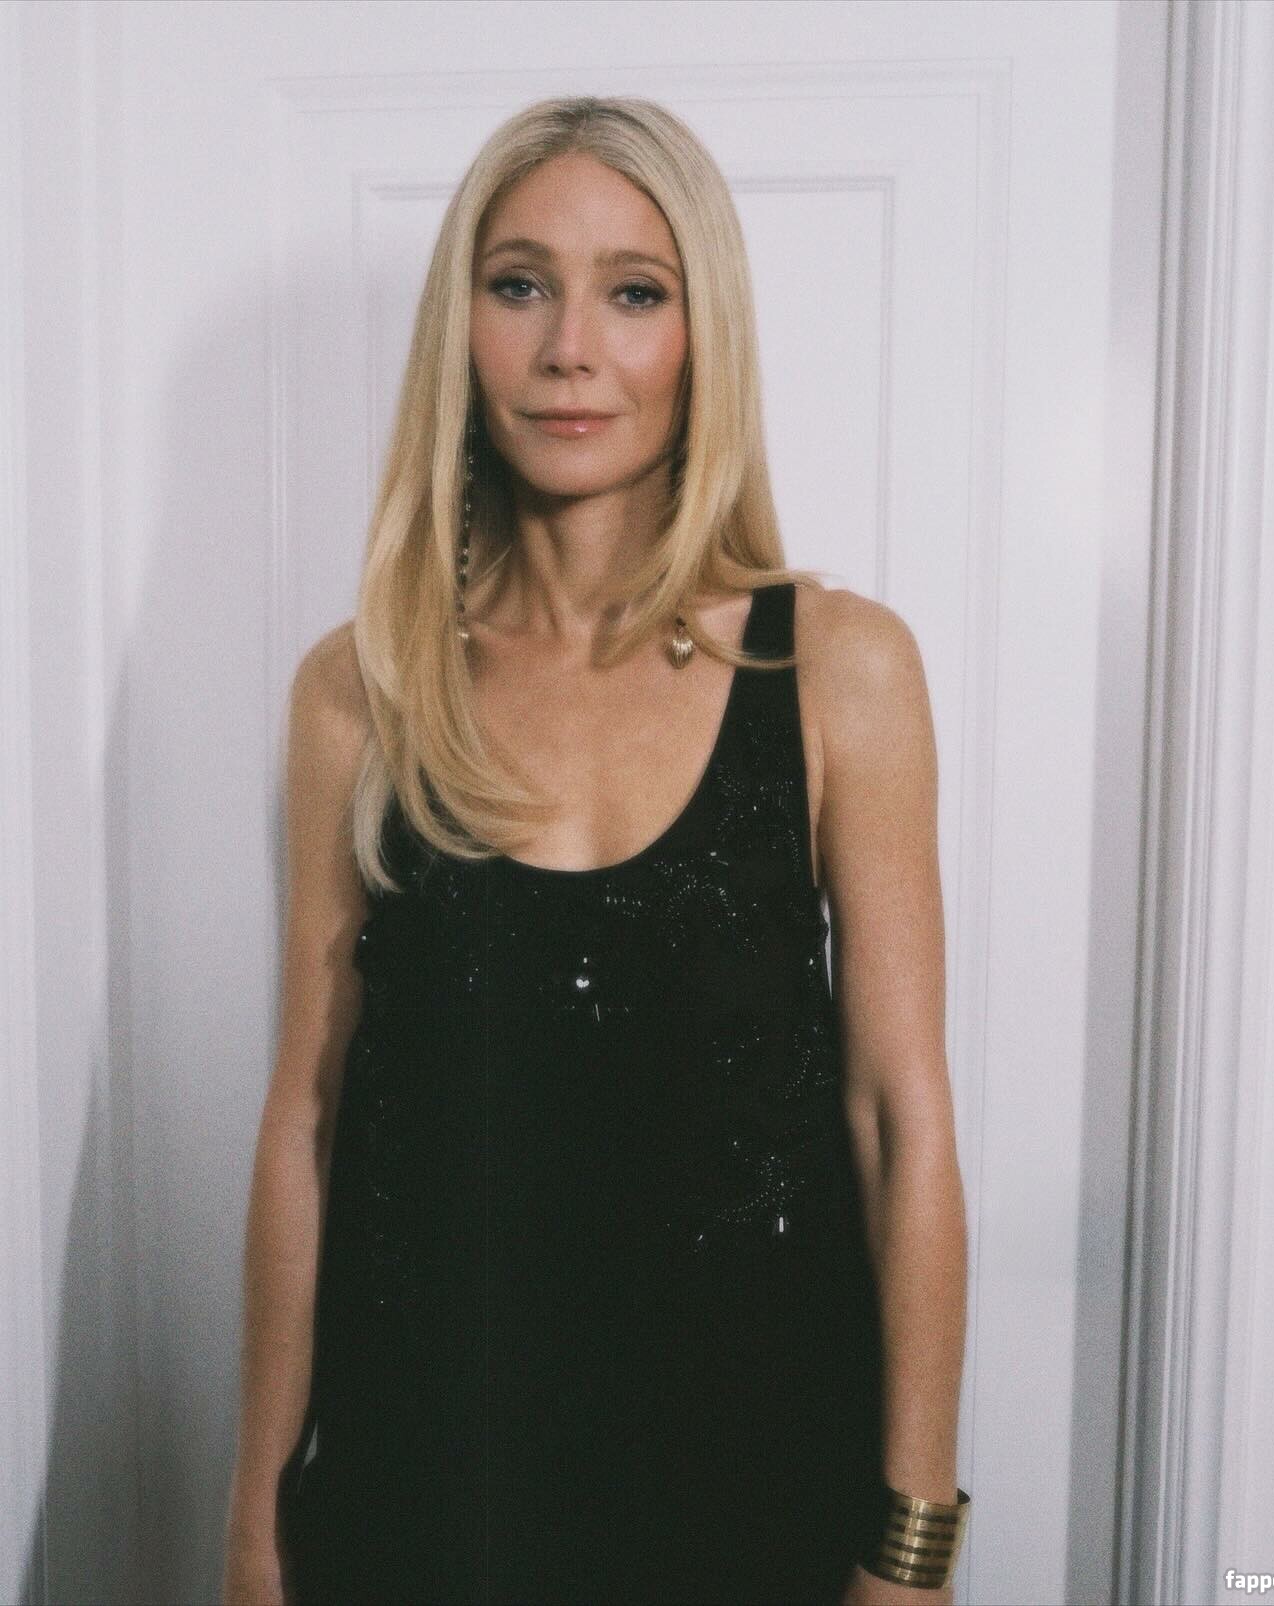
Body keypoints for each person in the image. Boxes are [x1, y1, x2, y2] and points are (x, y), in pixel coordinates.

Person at [222, 94, 969, 1606]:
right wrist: (251, 1517)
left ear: (703, 338)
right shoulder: (360, 692)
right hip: (423, 1497)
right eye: (520, 285)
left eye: (634, 292)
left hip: (754, 1497)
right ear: (462, 330)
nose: (571, 347)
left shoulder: (837, 671)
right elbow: (306, 1119)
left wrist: (912, 1541)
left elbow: (901, 1122)